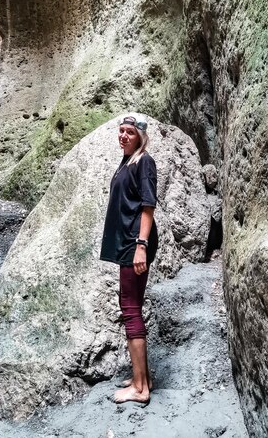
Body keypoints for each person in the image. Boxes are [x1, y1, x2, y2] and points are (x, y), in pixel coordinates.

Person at [100, 113, 158, 405]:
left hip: (135, 242)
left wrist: (141, 246)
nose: (123, 136)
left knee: (131, 309)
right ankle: (142, 377)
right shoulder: (128, 161)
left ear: (141, 137)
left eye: (129, 132)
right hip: (127, 242)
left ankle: (139, 389)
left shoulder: (144, 161)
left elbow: (148, 206)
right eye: (120, 131)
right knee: (130, 306)